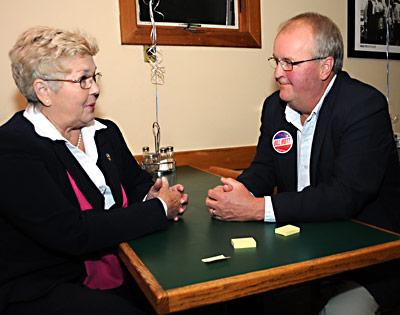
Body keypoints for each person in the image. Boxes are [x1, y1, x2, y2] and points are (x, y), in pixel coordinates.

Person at [206, 12, 400, 315]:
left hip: (368, 259)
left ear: (325, 66)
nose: (279, 73)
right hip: (300, 248)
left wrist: (257, 208)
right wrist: (236, 191)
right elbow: (265, 167)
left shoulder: (363, 106)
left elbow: (344, 196)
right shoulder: (275, 107)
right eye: (276, 61)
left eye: (289, 63)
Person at [0, 26, 188, 315]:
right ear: (43, 90)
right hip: (46, 287)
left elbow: (136, 184)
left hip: (124, 268)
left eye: (94, 76)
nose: (96, 88)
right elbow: (72, 232)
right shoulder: (12, 148)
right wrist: (159, 209)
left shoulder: (105, 132)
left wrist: (153, 194)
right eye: (82, 80)